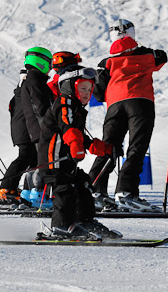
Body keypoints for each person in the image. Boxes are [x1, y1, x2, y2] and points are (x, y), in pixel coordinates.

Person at [88, 19, 168, 212]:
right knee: (136, 148)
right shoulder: (148, 54)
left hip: (115, 105)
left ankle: (94, 191)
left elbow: (98, 93)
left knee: (108, 148)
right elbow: (162, 57)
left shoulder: (105, 62)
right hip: (140, 102)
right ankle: (126, 192)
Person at [38, 65, 118, 237]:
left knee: (84, 185)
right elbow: (68, 127)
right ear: (68, 86)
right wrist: (75, 144)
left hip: (67, 162)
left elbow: (81, 136)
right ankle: (61, 226)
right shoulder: (64, 103)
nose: (87, 93)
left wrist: (102, 148)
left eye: (90, 89)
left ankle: (84, 221)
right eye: (82, 88)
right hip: (54, 161)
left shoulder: (76, 108)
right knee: (64, 189)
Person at [0, 47, 54, 203]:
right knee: (27, 158)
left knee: (31, 160)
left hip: (25, 129)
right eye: (49, 63)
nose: (50, 67)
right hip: (28, 130)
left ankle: (23, 191)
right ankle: (8, 188)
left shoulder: (27, 84)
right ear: (41, 61)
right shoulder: (35, 82)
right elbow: (40, 107)